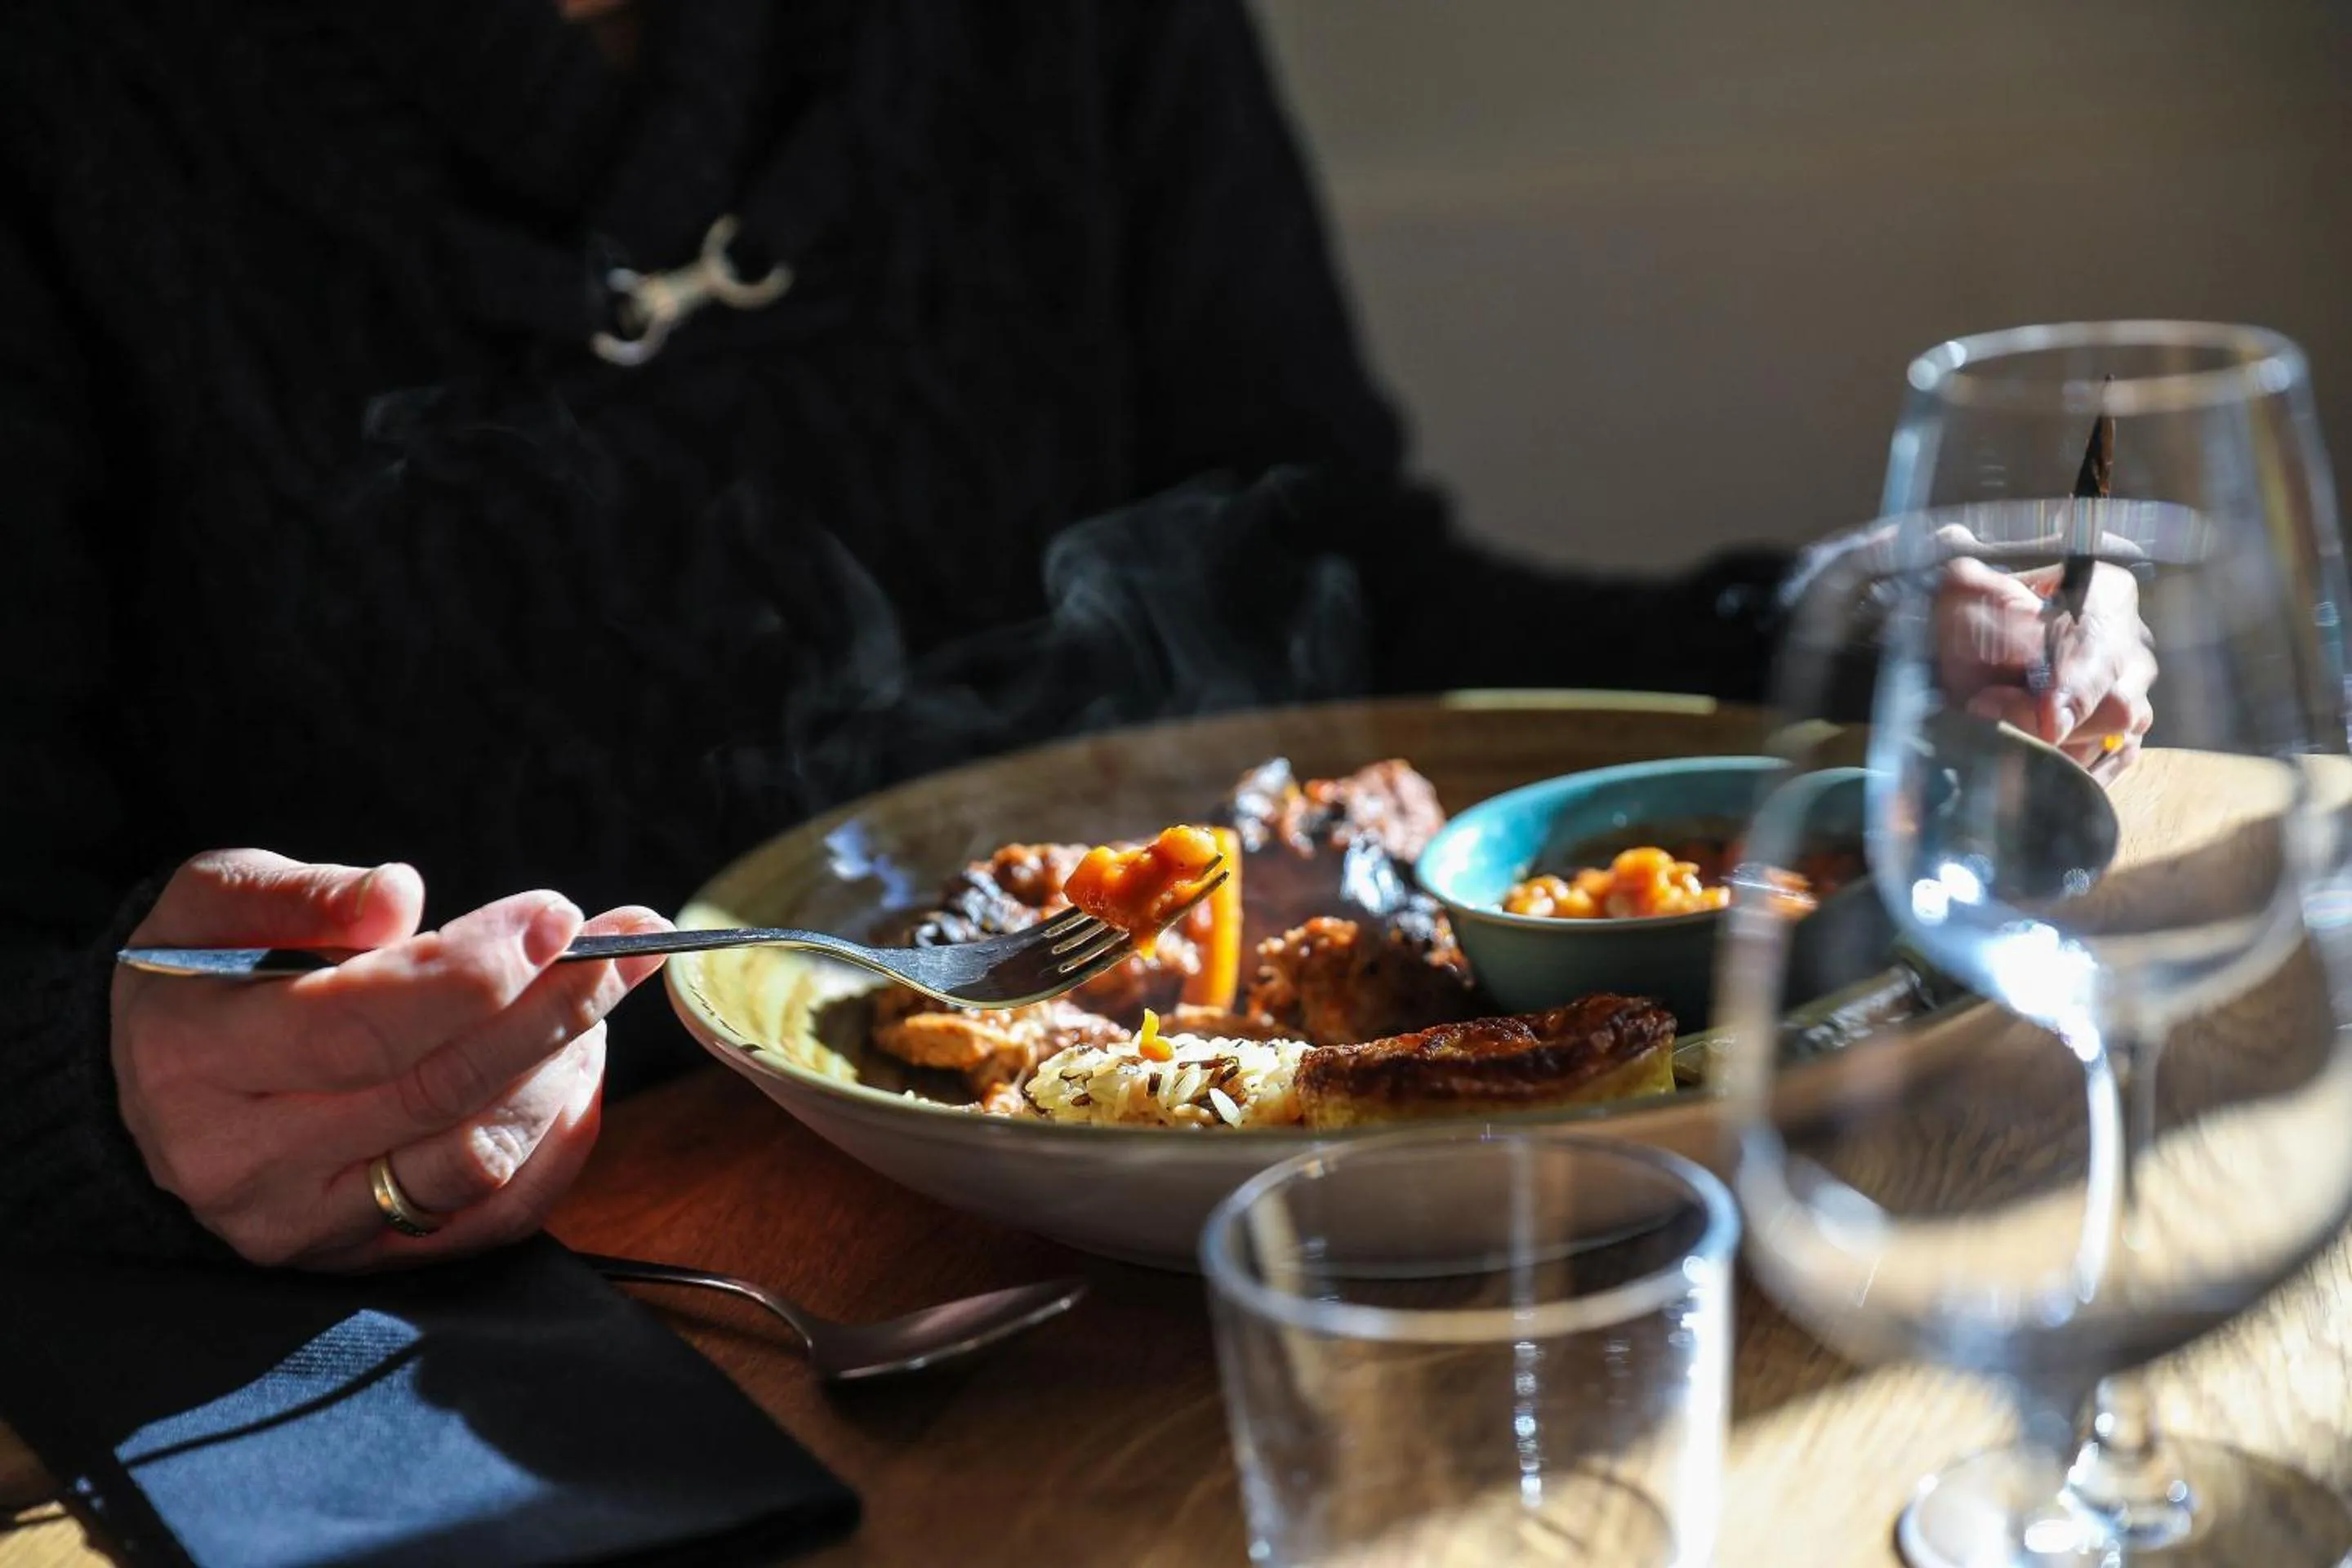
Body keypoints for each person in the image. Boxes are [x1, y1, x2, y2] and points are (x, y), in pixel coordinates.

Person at [0, 0, 2153, 1270]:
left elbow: (1339, 594)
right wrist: (104, 1091)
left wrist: (1813, 642)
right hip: (493, 1333)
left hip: (1156, 1286)